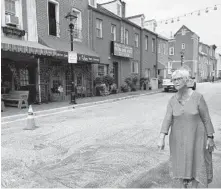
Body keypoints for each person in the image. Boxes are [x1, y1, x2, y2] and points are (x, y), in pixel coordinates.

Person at [158, 67, 216, 188]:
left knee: (196, 163)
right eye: (173, 80)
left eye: (179, 79)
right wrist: (161, 137)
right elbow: (167, 119)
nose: (176, 82)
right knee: (180, 165)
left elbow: (206, 118)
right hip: (178, 141)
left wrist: (210, 137)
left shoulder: (198, 97)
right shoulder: (172, 100)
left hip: (197, 139)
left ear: (186, 80)